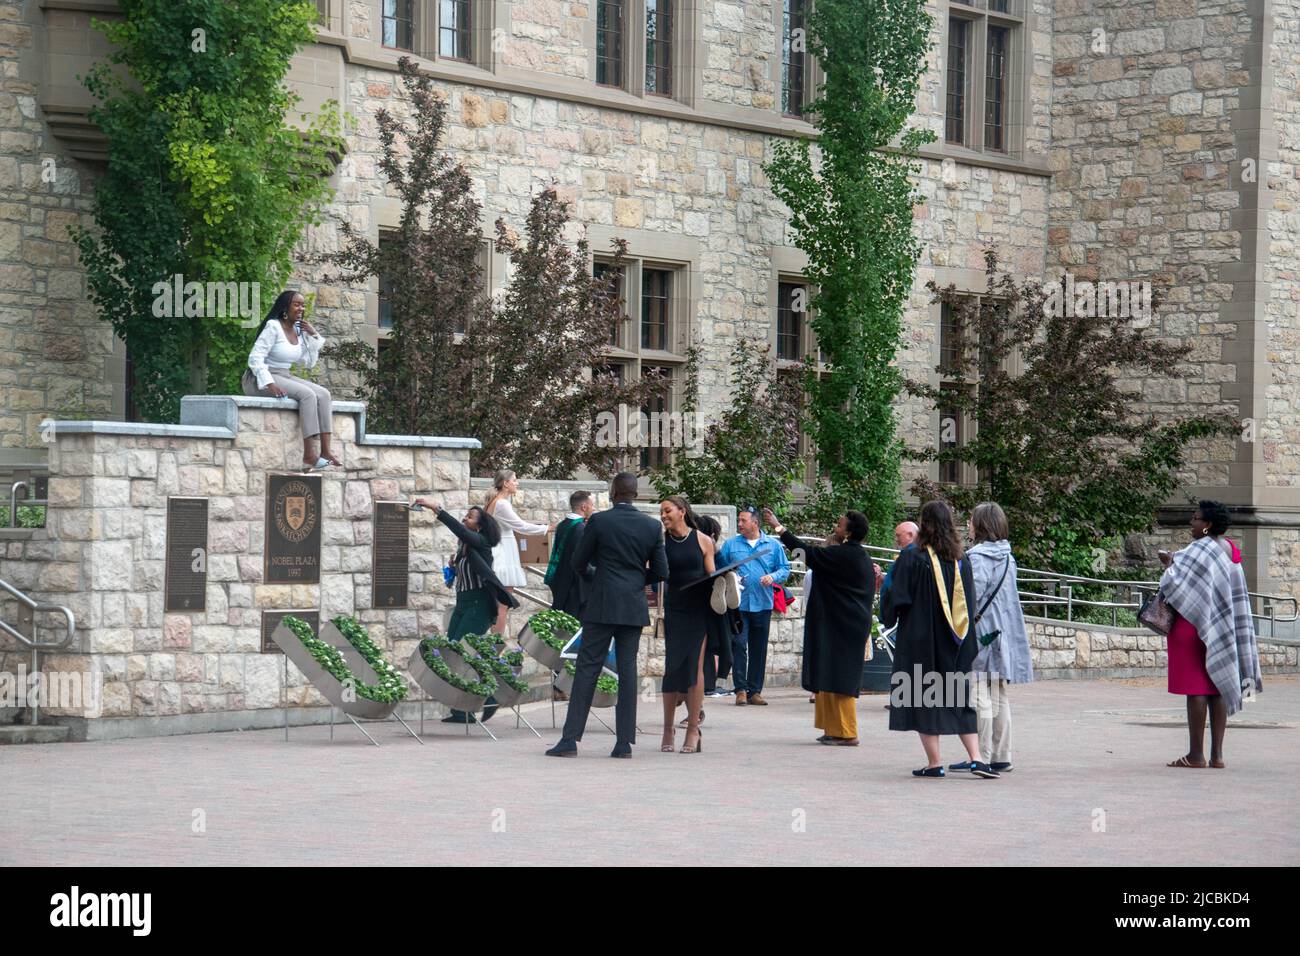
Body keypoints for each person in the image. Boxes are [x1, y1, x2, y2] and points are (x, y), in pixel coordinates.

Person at [546, 472, 669, 759]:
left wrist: (598, 577)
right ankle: (623, 743)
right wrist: (637, 580)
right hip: (632, 605)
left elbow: (579, 562)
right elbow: (662, 572)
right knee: (627, 672)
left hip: (601, 604)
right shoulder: (651, 526)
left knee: (587, 668)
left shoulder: (600, 521)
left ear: (613, 492)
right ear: (635, 493)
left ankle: (569, 740)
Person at [882, 500, 999, 778]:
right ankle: (977, 758)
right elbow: (969, 605)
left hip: (919, 644)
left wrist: (887, 612)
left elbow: (897, 598)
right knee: (957, 697)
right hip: (954, 643)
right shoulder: (961, 560)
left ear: (925, 525)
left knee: (923, 698)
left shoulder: (912, 558)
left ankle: (935, 764)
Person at [1157, 500, 1262, 769]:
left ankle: (1195, 755)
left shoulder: (1196, 550)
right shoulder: (1231, 551)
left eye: (1195, 518)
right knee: (1217, 688)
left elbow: (1172, 583)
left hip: (1192, 625)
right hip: (1222, 626)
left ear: (1208, 525)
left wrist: (1169, 562)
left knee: (1196, 689)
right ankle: (1217, 755)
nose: (1191, 523)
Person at [763, 507, 873, 746]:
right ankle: (833, 729)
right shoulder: (853, 555)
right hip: (839, 623)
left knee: (841, 678)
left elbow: (807, 554)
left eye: (841, 523)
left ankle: (848, 732)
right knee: (828, 673)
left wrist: (779, 528)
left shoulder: (847, 555)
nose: (837, 525)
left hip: (846, 626)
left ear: (849, 531)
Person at [413, 498, 520, 723]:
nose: (465, 518)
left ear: (478, 526)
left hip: (479, 605)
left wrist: (437, 509)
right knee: (453, 651)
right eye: (466, 515)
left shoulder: (480, 541)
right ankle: (461, 710)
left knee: (466, 653)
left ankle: (491, 695)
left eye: (470, 517)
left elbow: (460, 531)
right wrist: (454, 568)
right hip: (463, 603)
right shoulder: (465, 548)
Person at [954, 502, 1031, 774]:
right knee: (998, 693)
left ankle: (981, 755)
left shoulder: (977, 558)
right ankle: (1002, 754)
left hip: (981, 634)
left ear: (982, 525)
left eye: (972, 520)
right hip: (1003, 633)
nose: (969, 525)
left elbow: (971, 598)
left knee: (978, 694)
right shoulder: (1008, 557)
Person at [243, 290, 339, 471]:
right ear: (285, 307)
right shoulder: (273, 326)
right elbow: (255, 358)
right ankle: (309, 454)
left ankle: (326, 451)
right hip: (261, 378)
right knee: (307, 395)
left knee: (324, 394)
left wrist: (314, 335)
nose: (301, 308)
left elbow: (309, 362)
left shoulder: (299, 331)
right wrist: (269, 383)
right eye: (296, 304)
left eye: (303, 305)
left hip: (284, 374)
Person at [658, 496, 715, 753]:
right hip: (674, 609)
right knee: (672, 668)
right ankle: (667, 728)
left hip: (698, 609)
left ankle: (693, 729)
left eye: (667, 510)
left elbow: (711, 575)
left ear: (682, 512)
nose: (663, 515)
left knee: (695, 667)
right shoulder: (659, 541)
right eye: (661, 512)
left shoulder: (704, 540)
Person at [717, 505, 790, 706]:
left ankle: (755, 691)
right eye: (739, 520)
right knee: (739, 645)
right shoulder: (731, 545)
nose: (739, 524)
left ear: (755, 523)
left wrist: (772, 577)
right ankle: (740, 689)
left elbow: (785, 569)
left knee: (759, 648)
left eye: (743, 520)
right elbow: (719, 567)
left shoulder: (772, 546)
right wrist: (731, 576)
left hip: (763, 603)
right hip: (738, 604)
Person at [485, 469, 556, 636]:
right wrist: (546, 528)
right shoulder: (501, 503)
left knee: (500, 604)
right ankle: (496, 645)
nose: (517, 483)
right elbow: (521, 526)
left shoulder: (495, 502)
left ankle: (493, 644)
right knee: (503, 604)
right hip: (503, 554)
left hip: (502, 550)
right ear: (505, 484)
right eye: (514, 480)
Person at [546, 490, 595, 619]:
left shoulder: (563, 524)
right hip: (574, 587)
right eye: (592, 505)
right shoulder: (580, 528)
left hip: (561, 581)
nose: (593, 508)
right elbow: (581, 559)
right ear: (584, 507)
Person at [878, 520, 918, 608]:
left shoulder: (908, 557)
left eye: (898, 535)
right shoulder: (911, 555)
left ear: (910, 535)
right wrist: (882, 577)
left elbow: (898, 588)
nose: (896, 539)